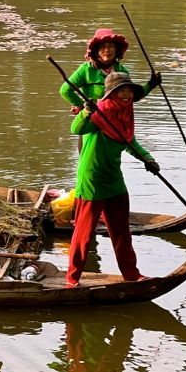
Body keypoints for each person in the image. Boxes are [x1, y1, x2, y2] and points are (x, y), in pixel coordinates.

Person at [66, 71, 159, 288]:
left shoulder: (124, 117)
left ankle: (132, 275)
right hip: (92, 182)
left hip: (114, 180)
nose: (126, 95)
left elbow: (130, 142)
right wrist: (86, 112)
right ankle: (72, 280)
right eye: (121, 91)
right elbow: (75, 129)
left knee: (122, 233)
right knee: (83, 235)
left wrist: (148, 159)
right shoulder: (98, 115)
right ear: (111, 94)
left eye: (129, 91)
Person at [59, 28, 161, 113]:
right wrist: (82, 107)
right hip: (93, 121)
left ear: (116, 50)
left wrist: (151, 84)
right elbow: (65, 90)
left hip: (117, 121)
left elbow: (130, 97)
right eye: (102, 46)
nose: (107, 50)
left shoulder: (122, 71)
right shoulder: (86, 70)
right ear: (96, 51)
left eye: (111, 46)